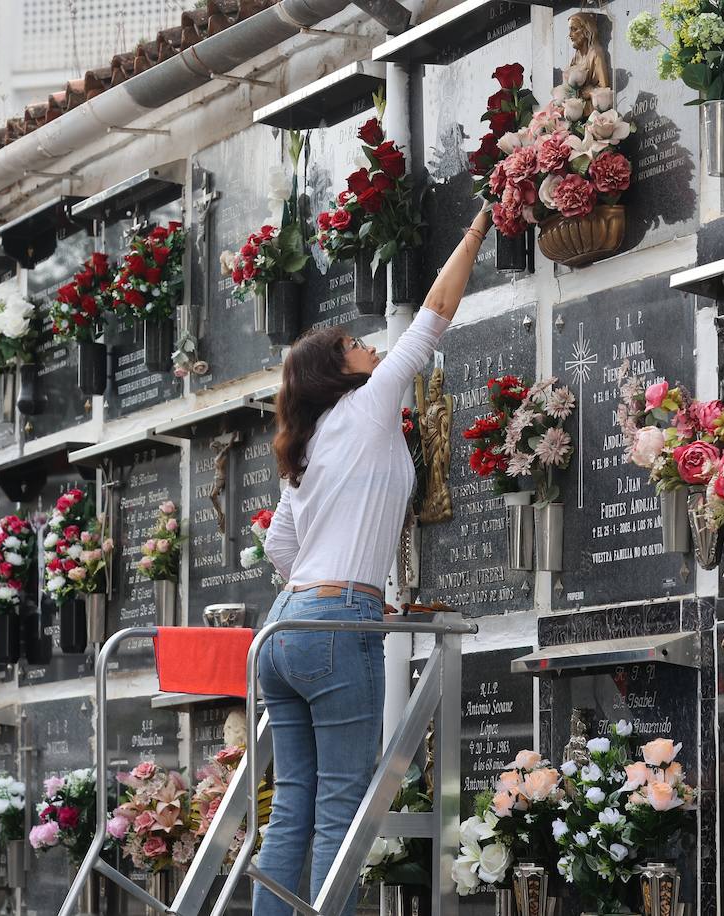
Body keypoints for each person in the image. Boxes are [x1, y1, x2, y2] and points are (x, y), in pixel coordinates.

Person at [253, 209, 492, 916]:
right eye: (358, 345)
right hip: (333, 626)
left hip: (284, 629)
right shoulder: (371, 403)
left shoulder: (304, 445)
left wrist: (337, 585)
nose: (373, 349)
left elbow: (279, 550)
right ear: (340, 371)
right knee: (342, 809)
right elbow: (437, 312)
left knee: (292, 804)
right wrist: (477, 230)